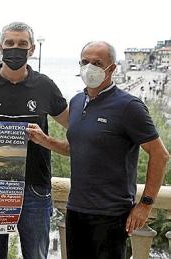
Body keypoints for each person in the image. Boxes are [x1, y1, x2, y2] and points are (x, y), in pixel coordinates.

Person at [27, 41, 170, 259]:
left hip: (112, 215)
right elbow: (77, 148)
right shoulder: (76, 102)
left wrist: (145, 205)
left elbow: (160, 154)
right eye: (85, 62)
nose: (89, 67)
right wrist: (44, 140)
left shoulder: (129, 106)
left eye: (97, 63)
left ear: (111, 68)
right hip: (75, 210)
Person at [0, 22, 69, 259]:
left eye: (22, 44)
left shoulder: (45, 86)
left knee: (36, 254)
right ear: (0, 46)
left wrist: (46, 140)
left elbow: (75, 127)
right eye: (10, 43)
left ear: (32, 49)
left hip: (35, 186)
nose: (15, 49)